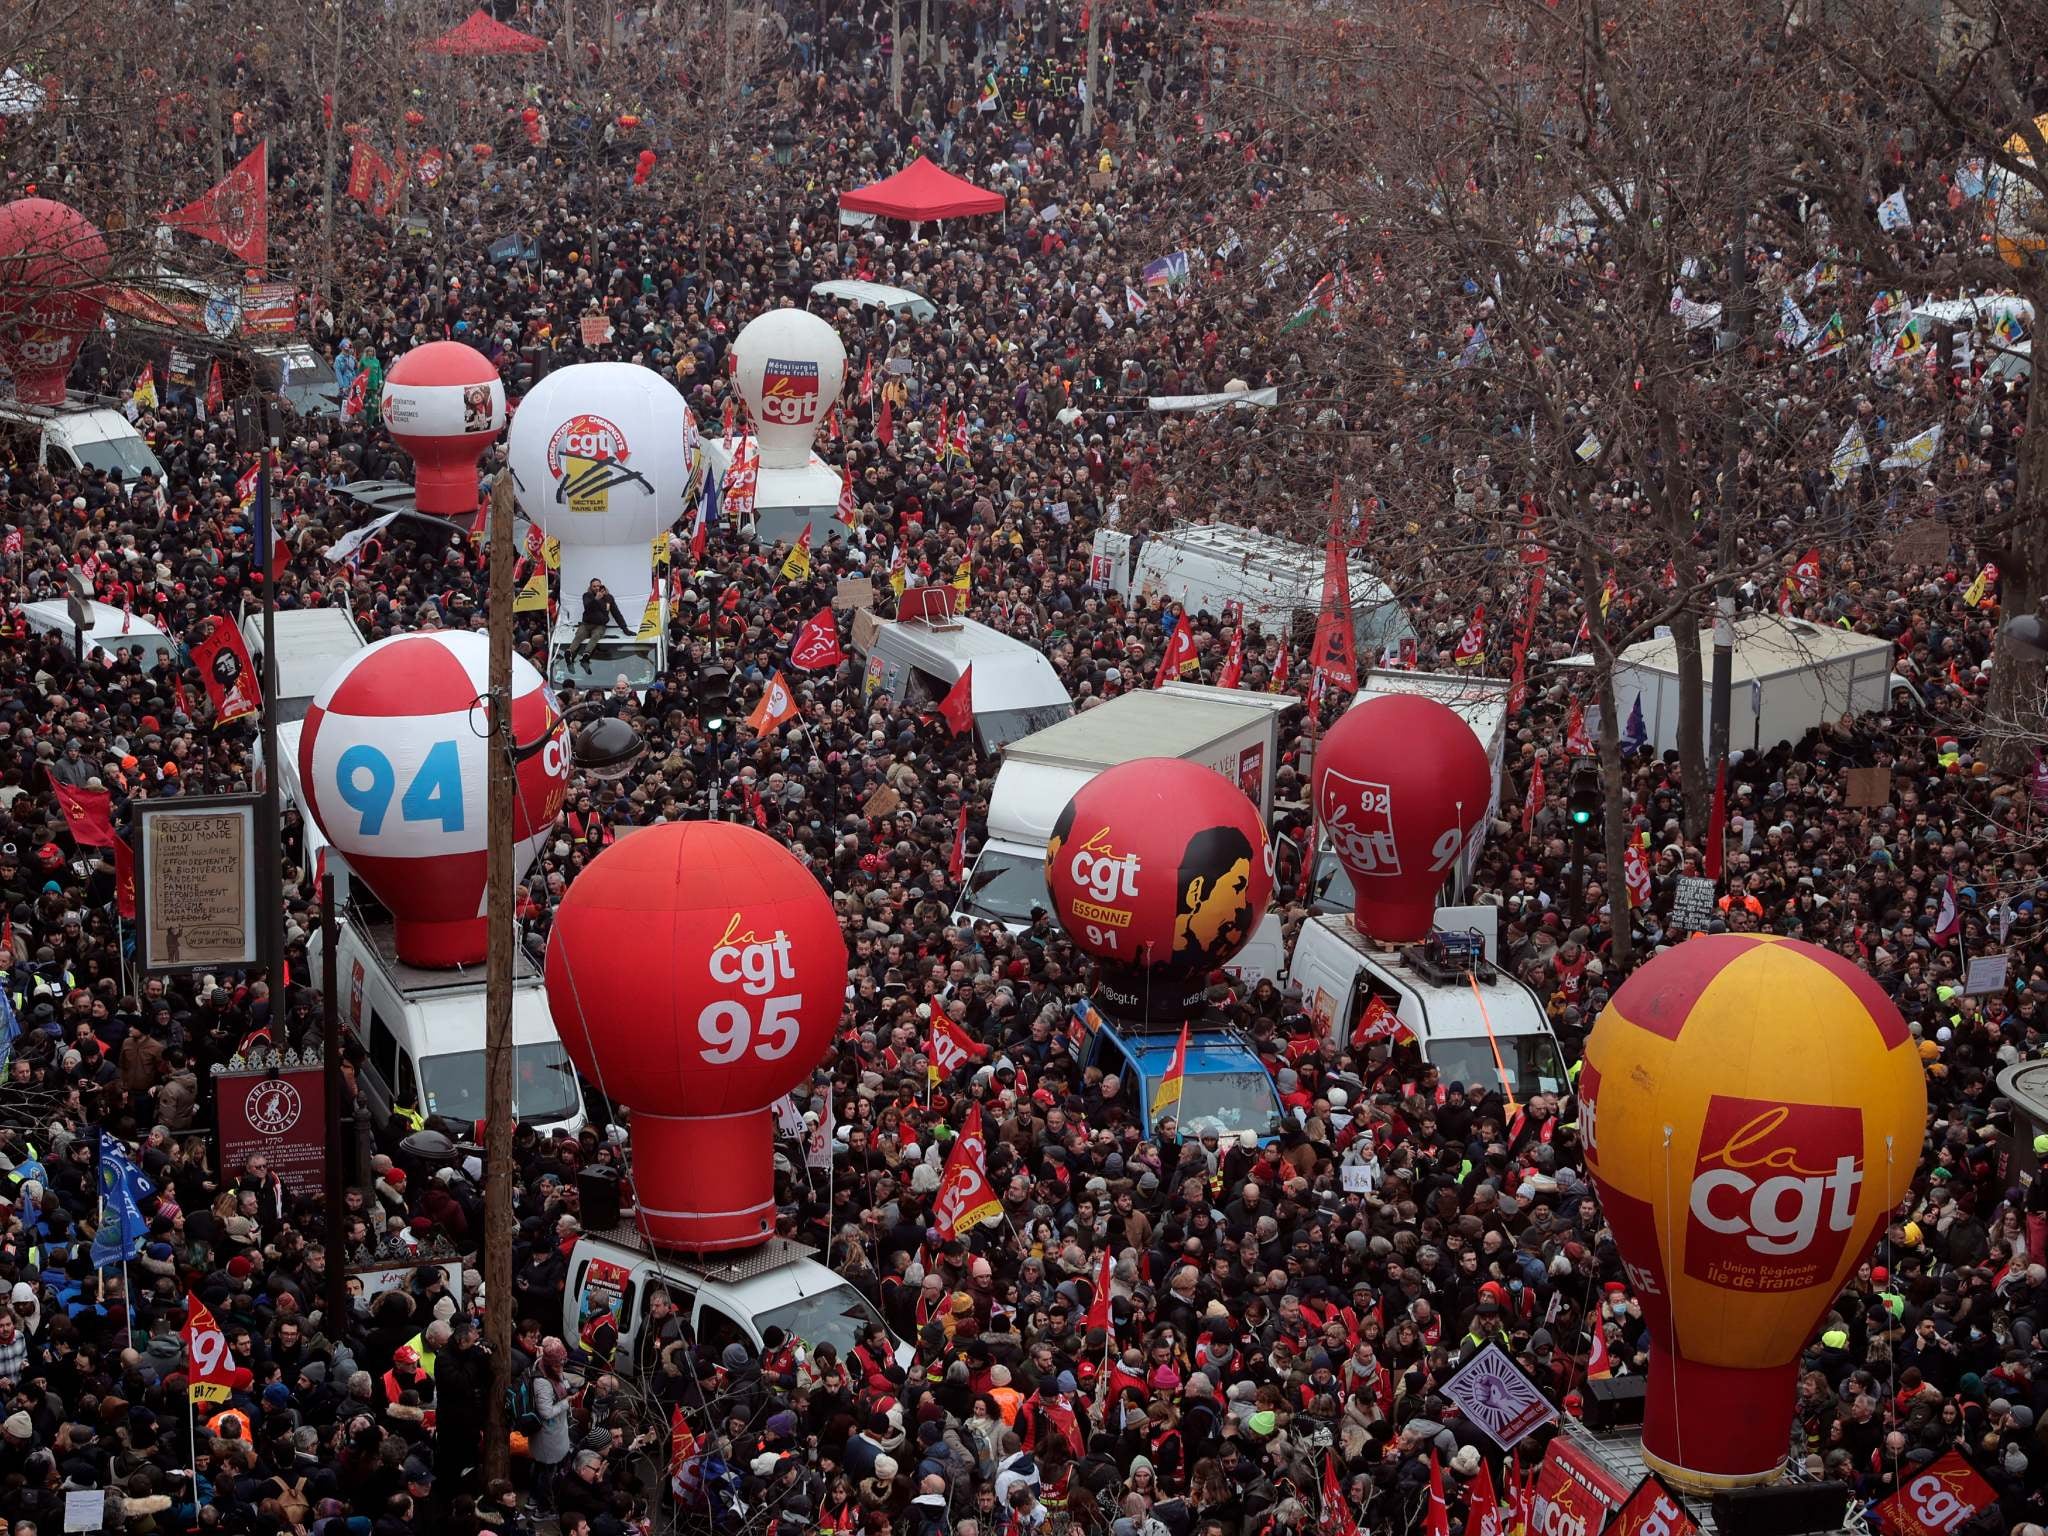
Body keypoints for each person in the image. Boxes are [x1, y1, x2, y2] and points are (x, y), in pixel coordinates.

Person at [569, 580, 629, 668]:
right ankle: (570, 654)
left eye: (598, 586)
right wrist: (596, 599)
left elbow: (616, 613)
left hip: (600, 625)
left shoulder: (609, 598)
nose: (597, 588)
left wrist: (624, 628)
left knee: (596, 636)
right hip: (586, 624)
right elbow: (587, 607)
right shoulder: (587, 596)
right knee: (578, 636)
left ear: (602, 586)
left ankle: (586, 656)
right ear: (590, 587)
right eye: (594, 586)